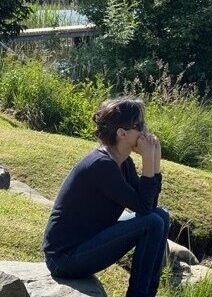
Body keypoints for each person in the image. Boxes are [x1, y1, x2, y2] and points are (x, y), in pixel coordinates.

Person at [42, 96, 169, 297]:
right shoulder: (101, 165)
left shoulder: (124, 163)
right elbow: (144, 210)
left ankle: (147, 293)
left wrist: (154, 159)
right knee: (152, 222)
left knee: (161, 216)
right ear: (122, 133)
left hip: (87, 242)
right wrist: (147, 158)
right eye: (140, 125)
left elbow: (149, 205)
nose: (145, 131)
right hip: (65, 258)